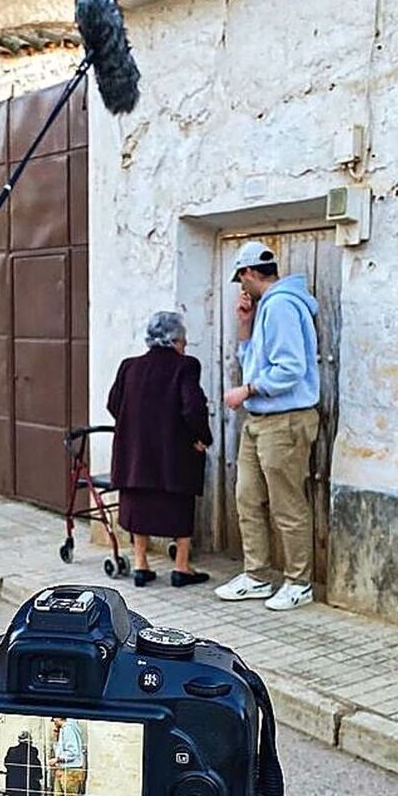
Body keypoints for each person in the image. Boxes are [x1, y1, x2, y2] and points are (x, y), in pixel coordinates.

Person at [214, 240, 320, 611]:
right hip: (260, 421)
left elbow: (290, 369)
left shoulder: (281, 306)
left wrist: (248, 390)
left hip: (284, 420)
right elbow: (256, 361)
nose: (241, 288)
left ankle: (298, 582)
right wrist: (244, 326)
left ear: (248, 273)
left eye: (240, 279)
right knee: (248, 498)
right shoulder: (267, 309)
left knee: (287, 504)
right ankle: (257, 575)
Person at [107, 311, 213, 588]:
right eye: (184, 339)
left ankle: (141, 565)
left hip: (135, 453)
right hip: (173, 453)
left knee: (139, 503)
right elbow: (193, 407)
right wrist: (202, 437)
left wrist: (135, 426)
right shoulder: (186, 366)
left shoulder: (129, 366)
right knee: (178, 504)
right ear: (176, 339)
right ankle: (181, 567)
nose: (186, 344)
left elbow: (113, 404)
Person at [49, 717, 86, 796]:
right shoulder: (63, 730)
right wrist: (56, 733)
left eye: (54, 719)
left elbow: (73, 752)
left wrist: (57, 759)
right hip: (62, 769)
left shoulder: (69, 729)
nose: (54, 722)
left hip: (71, 769)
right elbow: (59, 749)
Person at [3, 730, 44, 796]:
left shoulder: (11, 751)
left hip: (14, 788)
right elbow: (38, 772)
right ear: (29, 741)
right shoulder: (32, 752)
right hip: (29, 789)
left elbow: (6, 764)